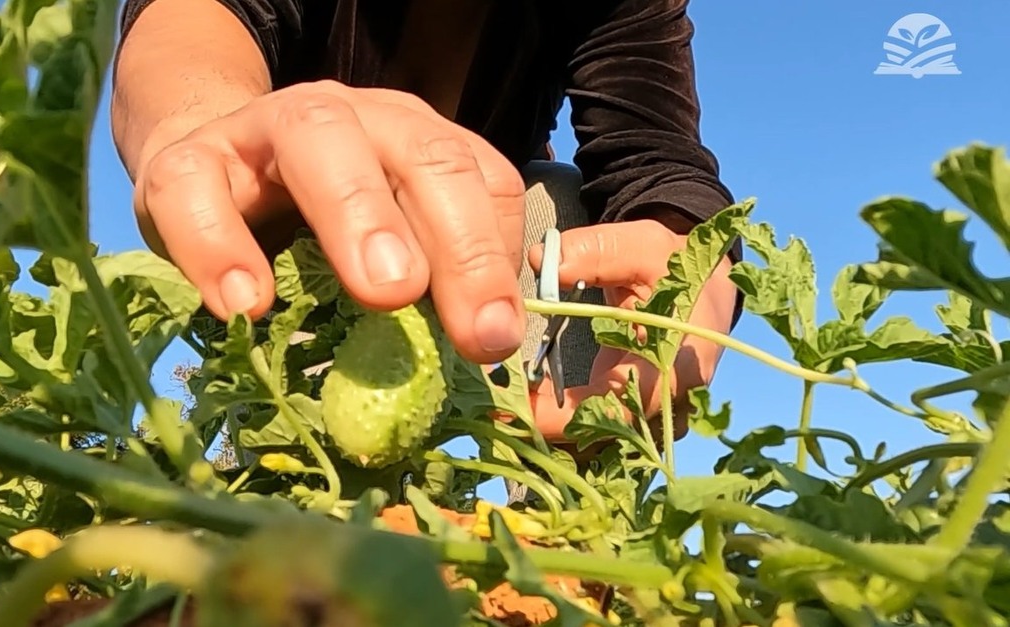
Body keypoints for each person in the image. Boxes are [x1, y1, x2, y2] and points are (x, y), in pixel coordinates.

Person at [109, 0, 742, 448]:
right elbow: (191, 25)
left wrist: (686, 251)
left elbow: (655, 152)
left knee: (560, 204)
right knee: (295, 480)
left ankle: (571, 525)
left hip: (491, 254)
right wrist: (200, 130)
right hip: (303, 240)